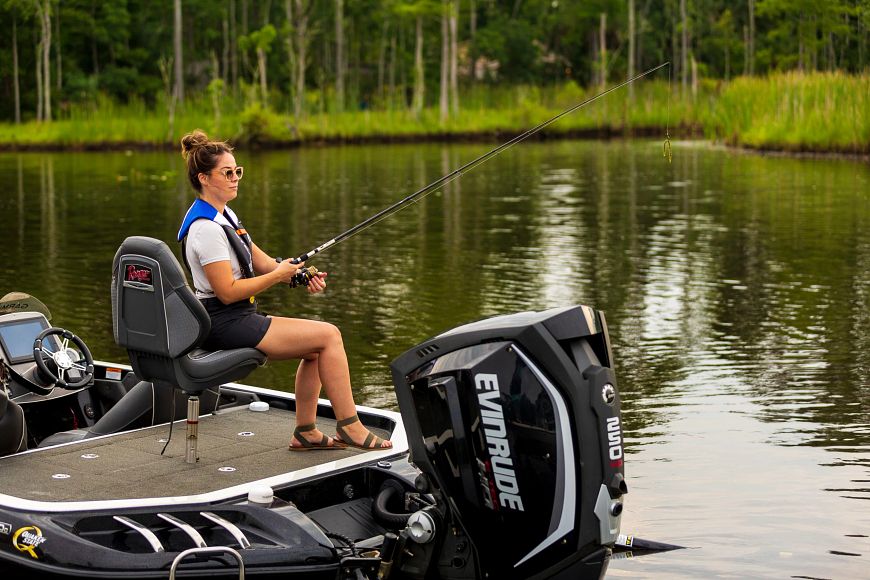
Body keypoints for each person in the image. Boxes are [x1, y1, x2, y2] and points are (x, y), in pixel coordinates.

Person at [176, 130, 391, 452]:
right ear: (204, 178)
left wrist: (298, 276)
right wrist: (278, 276)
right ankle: (351, 427)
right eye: (227, 173)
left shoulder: (224, 215)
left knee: (317, 348)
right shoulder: (204, 229)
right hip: (223, 322)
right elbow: (228, 292)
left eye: (238, 171)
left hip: (237, 316)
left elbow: (258, 260)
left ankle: (306, 432)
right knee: (329, 335)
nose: (235, 178)